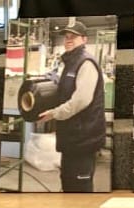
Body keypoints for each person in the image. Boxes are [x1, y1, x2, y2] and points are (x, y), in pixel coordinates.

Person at [38, 21, 105, 192]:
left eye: (73, 37)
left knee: (79, 187)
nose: (68, 40)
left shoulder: (86, 63)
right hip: (72, 137)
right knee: (68, 181)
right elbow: (65, 92)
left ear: (84, 39)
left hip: (83, 138)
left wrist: (55, 113)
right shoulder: (70, 62)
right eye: (66, 37)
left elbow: (81, 100)